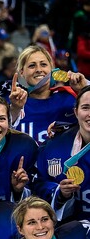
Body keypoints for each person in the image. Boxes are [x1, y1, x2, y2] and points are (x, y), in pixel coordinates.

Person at [34, 85, 90, 222]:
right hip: (68, 231)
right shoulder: (54, 146)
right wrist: (60, 193)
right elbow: (38, 184)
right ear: (76, 112)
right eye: (85, 108)